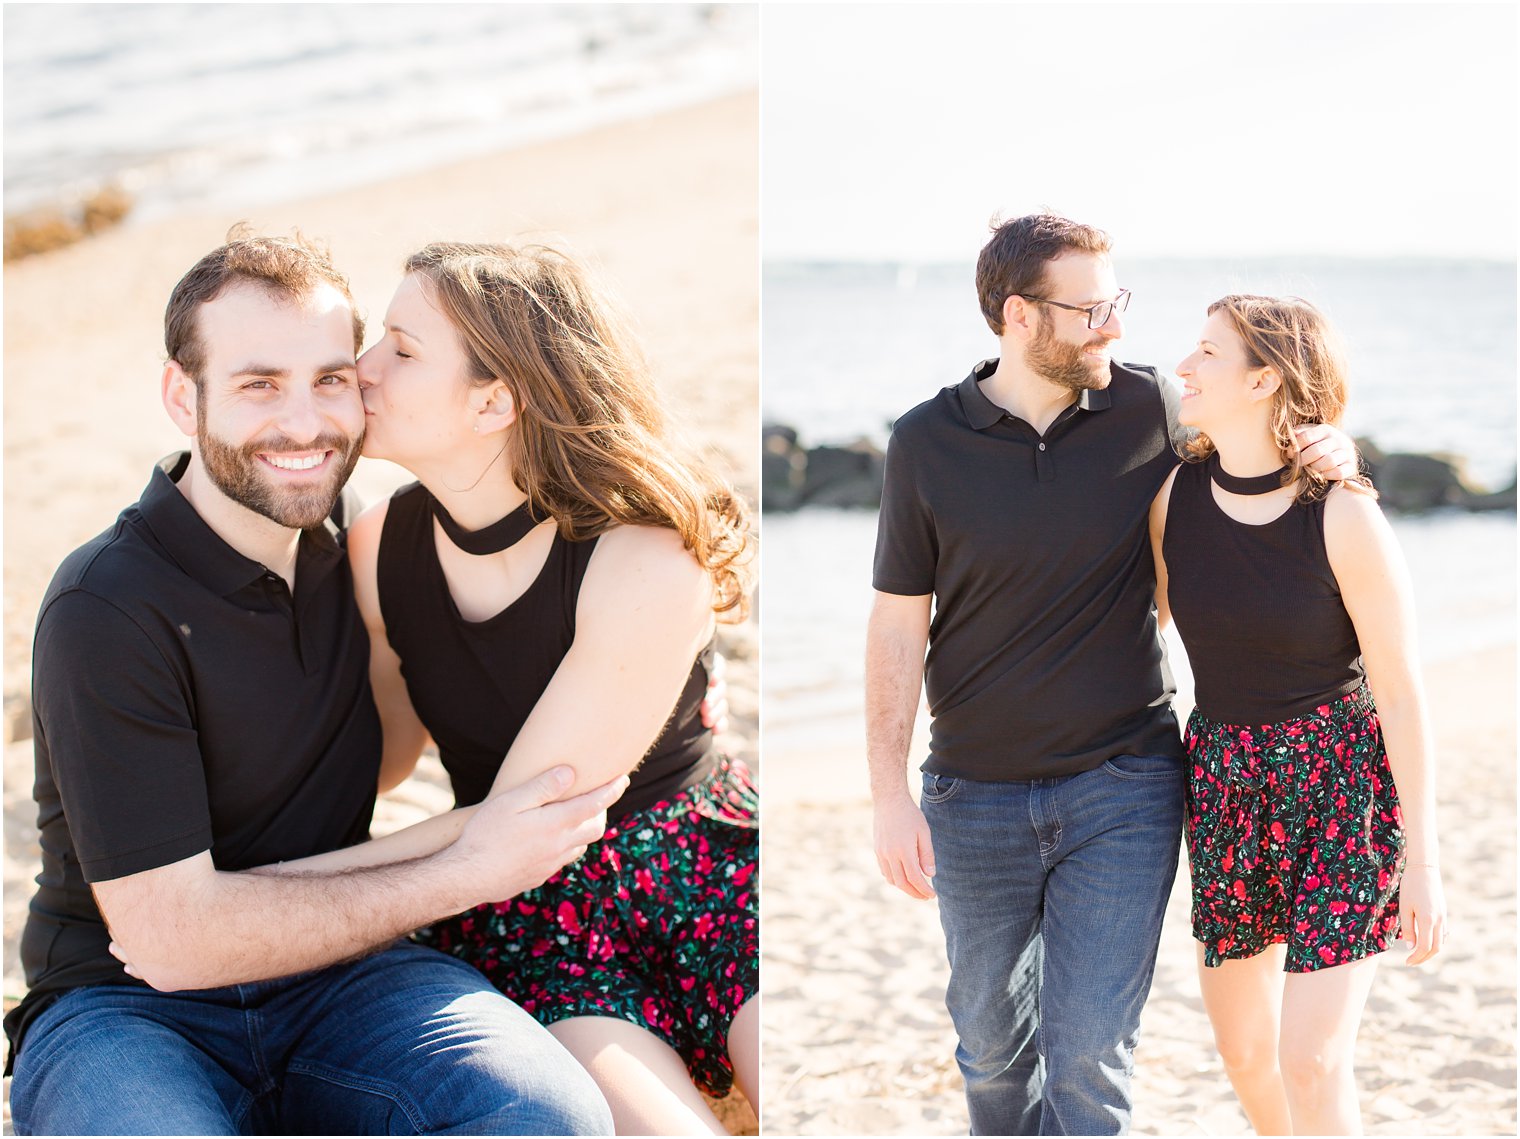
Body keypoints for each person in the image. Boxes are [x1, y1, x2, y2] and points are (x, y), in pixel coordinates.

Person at [5, 232, 619, 1136]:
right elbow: (170, 941)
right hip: (124, 1008)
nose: (305, 423)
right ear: (185, 396)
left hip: (352, 977)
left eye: (330, 378)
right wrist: (466, 869)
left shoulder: (363, 546)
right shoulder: (106, 604)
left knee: (548, 1114)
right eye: (259, 384)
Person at [866, 214, 1358, 1135]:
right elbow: (897, 626)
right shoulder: (925, 442)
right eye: (1091, 308)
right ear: (1018, 315)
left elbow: (1258, 471)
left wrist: (1333, 447)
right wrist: (889, 797)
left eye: (1116, 302)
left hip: (1126, 781)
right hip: (971, 794)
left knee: (1091, 1050)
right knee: (989, 1048)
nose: (1115, 328)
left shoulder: (1153, 411)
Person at [256, 242, 760, 1135]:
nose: (360, 370)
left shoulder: (644, 553)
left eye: (401, 351)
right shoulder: (382, 550)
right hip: (532, 916)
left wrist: (263, 896)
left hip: (706, 875)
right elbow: (380, 760)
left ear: (495, 400)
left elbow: (528, 813)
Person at [1149, 295, 1445, 1134]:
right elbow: (1141, 628)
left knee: (1311, 1060)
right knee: (1246, 1053)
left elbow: (1401, 690)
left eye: (1207, 352)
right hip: (1226, 786)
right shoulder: (1175, 499)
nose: (1184, 367)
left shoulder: (1346, 513)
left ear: (1265, 378)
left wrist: (1422, 861)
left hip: (1340, 785)